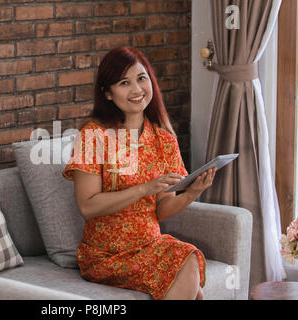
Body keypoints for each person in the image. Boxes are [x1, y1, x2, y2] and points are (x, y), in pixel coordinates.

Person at [62, 47, 216, 300]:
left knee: (191, 276)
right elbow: (87, 206)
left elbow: (161, 209)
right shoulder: (94, 136)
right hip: (106, 255)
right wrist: (145, 188)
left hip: (149, 245)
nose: (137, 89)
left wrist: (193, 192)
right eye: (124, 83)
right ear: (108, 93)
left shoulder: (164, 140)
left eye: (141, 78)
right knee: (187, 263)